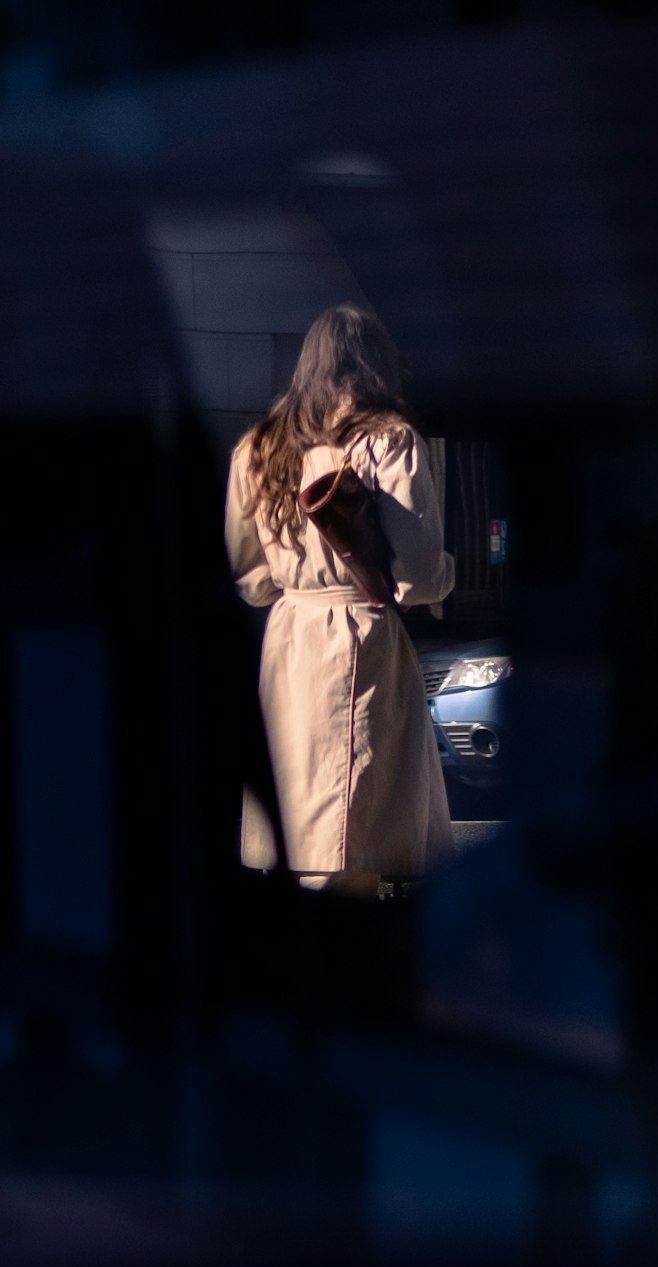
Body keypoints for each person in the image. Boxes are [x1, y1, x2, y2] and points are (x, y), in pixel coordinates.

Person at [224, 301, 455, 896]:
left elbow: (249, 577)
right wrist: (446, 574)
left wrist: (297, 583)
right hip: (359, 635)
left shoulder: (257, 449)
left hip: (288, 641)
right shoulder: (388, 444)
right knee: (353, 827)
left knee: (301, 813)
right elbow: (420, 572)